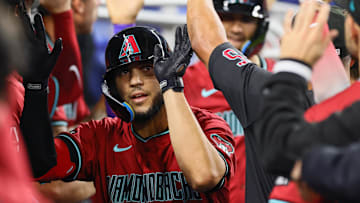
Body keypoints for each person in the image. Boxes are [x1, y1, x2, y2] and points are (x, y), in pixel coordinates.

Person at [21, 25, 236, 202]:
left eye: (147, 68)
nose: (135, 81)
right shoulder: (99, 136)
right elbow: (38, 164)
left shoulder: (208, 125)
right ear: (112, 86)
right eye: (124, 72)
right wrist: (35, 86)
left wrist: (171, 84)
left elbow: (204, 178)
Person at [183, 0, 273, 202]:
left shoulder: (280, 75)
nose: (236, 28)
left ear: (261, 25)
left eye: (246, 20)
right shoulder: (186, 80)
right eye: (227, 18)